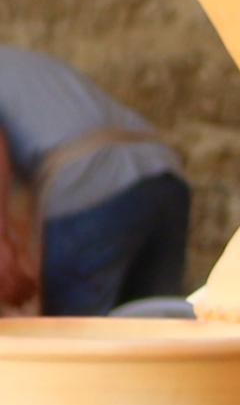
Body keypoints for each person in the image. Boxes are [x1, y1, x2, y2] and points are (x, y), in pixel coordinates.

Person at [0, 46, 188, 315]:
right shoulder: (13, 59)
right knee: (152, 334)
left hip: (94, 188)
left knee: (75, 342)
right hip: (162, 175)